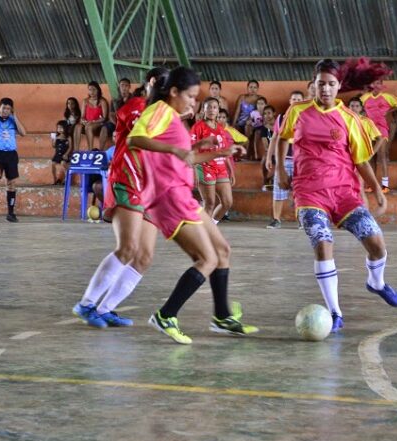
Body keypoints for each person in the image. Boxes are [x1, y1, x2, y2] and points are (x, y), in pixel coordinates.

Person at [128, 66, 258, 345]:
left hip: (182, 194)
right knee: (207, 259)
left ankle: (222, 316)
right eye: (189, 96)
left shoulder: (173, 118)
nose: (193, 102)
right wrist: (174, 148)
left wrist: (219, 150)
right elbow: (134, 139)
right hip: (168, 197)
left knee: (222, 250)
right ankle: (166, 315)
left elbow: (186, 159)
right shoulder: (159, 111)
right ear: (173, 92)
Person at [276, 58, 397, 334]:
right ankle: (335, 312)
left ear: (338, 86)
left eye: (331, 84)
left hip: (344, 193)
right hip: (309, 192)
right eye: (321, 84)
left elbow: (361, 161)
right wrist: (280, 170)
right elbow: (282, 138)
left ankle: (377, 283)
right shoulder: (297, 111)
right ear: (314, 84)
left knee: (377, 244)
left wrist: (377, 191)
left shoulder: (350, 119)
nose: (325, 89)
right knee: (323, 242)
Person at [72, 69, 165, 329]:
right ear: (155, 83)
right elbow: (141, 139)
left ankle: (105, 308)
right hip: (128, 178)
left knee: (144, 256)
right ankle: (87, 303)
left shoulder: (166, 114)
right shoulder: (137, 106)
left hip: (150, 188)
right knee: (127, 248)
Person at [265, 90, 305, 229]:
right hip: (284, 160)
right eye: (293, 98)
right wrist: (269, 157)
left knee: (300, 193)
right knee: (278, 191)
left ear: (302, 101)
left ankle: (301, 220)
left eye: (298, 99)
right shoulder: (281, 118)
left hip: (301, 161)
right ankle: (276, 219)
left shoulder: (306, 117)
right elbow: (275, 138)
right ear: (290, 101)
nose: (295, 101)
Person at [191, 97, 234, 223]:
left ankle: (211, 226)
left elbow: (224, 151)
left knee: (227, 202)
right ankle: (203, 234)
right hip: (204, 167)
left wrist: (230, 170)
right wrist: (194, 171)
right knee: (209, 203)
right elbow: (192, 150)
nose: (211, 110)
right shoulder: (198, 127)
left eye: (214, 107)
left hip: (221, 168)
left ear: (218, 110)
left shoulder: (220, 129)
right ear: (203, 110)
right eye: (208, 107)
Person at [0, 97, 26, 223]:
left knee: (11, 184)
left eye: (8, 108)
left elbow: (23, 133)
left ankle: (11, 213)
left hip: (11, 155)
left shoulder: (14, 120)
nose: (5, 110)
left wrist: (15, 116)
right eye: (3, 108)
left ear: (11, 110)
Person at [361, 79, 397, 193]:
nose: (376, 85)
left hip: (381, 128)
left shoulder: (387, 96)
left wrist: (389, 112)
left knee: (382, 155)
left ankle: (385, 185)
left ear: (381, 85)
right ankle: (371, 184)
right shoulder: (365, 97)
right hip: (369, 130)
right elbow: (358, 108)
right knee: (371, 157)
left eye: (378, 83)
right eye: (374, 83)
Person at [348, 97, 385, 203]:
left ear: (361, 109)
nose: (354, 108)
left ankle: (365, 217)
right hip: (344, 159)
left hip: (360, 160)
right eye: (352, 106)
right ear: (348, 107)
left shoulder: (366, 121)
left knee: (360, 190)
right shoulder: (343, 120)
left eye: (357, 106)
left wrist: (370, 154)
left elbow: (380, 138)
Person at [78, 81, 109, 151]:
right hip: (88, 123)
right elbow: (82, 116)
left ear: (98, 90)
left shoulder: (102, 101)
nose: (92, 92)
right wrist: (83, 120)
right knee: (77, 127)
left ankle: (90, 149)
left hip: (99, 123)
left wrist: (93, 121)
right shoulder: (85, 101)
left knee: (89, 127)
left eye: (94, 89)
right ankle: (75, 150)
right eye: (90, 90)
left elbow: (104, 118)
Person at [51, 120, 72, 185]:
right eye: (58, 128)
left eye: (61, 128)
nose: (59, 129)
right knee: (53, 164)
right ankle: (55, 179)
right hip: (57, 154)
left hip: (64, 154)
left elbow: (70, 147)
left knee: (63, 163)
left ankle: (67, 178)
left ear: (65, 128)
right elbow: (54, 146)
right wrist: (53, 140)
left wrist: (66, 154)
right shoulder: (57, 137)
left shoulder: (68, 137)